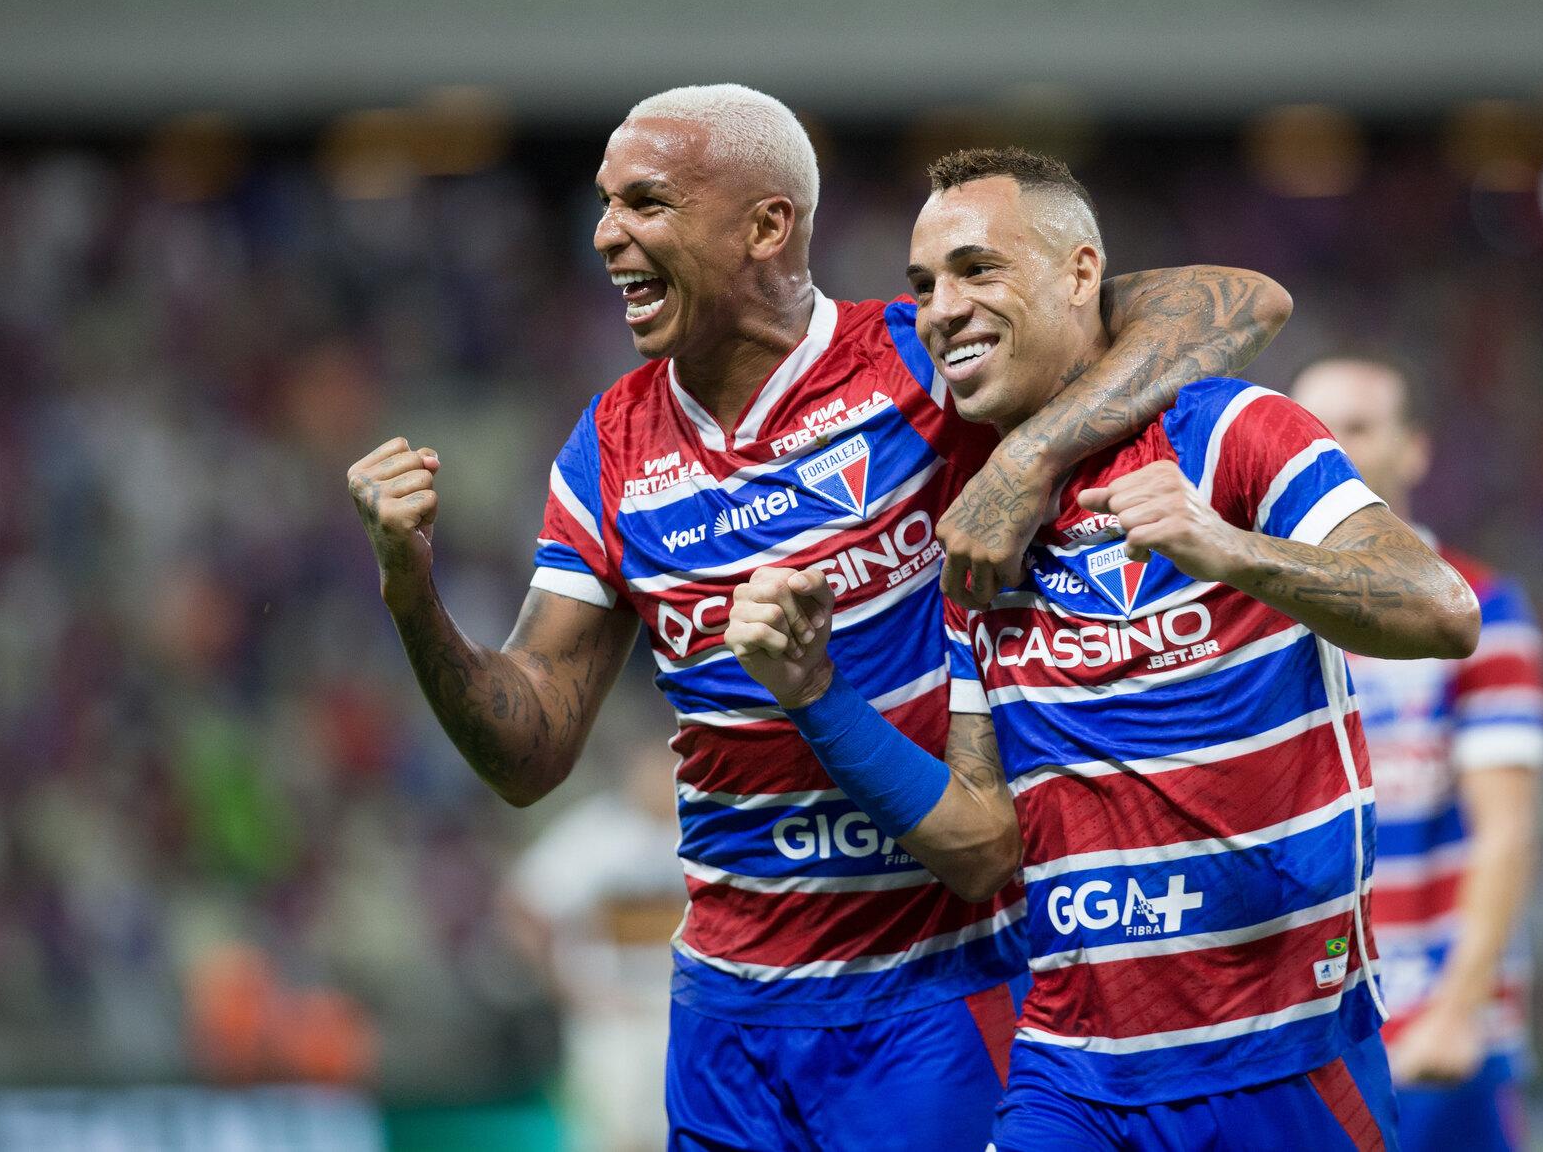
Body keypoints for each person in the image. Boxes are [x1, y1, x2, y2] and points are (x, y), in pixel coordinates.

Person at [346, 87, 1293, 1151]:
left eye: (646, 203)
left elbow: (1236, 301)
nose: (606, 233)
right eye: (605, 204)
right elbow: (525, 753)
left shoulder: (920, 359)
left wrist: (1023, 459)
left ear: (765, 224)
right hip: (727, 1017)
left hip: (937, 989)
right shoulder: (609, 447)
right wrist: (408, 588)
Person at [725, 146, 1481, 1152]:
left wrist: (1227, 550)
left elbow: (1437, 610)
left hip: (1285, 1057)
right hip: (1071, 1075)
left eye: (974, 269)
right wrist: (816, 693)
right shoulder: (971, 531)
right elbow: (982, 846)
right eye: (921, 285)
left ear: (1080, 275)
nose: (938, 308)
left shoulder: (1231, 435)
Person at [1290, 356, 1543, 1152]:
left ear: (1416, 450)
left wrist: (1457, 1012)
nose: (1330, 445)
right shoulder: (1256, 618)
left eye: (1360, 425)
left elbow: (1504, 829)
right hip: (1301, 1032)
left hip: (1433, 1036)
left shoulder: (1477, 609)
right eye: (1310, 428)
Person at [499, 738, 684, 1152]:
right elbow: (525, 904)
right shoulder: (597, 832)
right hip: (612, 1017)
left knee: (679, 1132)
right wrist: (561, 984)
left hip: (682, 1012)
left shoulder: (700, 829)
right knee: (613, 1138)